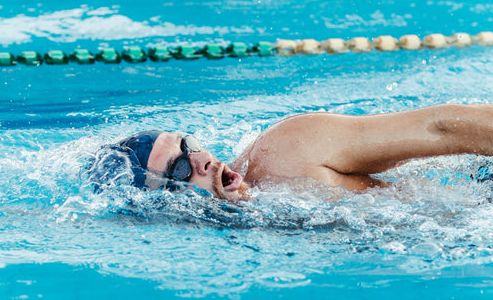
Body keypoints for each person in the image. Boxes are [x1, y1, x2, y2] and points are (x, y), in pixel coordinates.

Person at [88, 104, 493, 201]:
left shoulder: (288, 150)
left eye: (187, 144)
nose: (201, 159)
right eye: (178, 169)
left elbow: (441, 129)